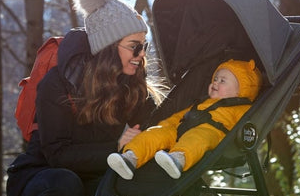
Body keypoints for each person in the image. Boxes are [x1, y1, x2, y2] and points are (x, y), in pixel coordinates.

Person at [6, 0, 165, 196]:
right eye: (134, 46)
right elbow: (57, 155)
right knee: (66, 184)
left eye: (144, 46)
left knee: (119, 190)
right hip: (42, 184)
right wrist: (116, 146)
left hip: (94, 184)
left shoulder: (135, 90)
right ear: (108, 46)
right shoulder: (58, 84)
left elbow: (151, 138)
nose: (141, 54)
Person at [107, 59, 262, 180]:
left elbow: (248, 124)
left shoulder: (242, 108)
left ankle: (179, 159)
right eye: (215, 78)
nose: (215, 82)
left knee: (197, 138)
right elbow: (179, 116)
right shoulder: (201, 103)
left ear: (240, 92)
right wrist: (166, 125)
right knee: (154, 134)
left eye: (223, 81)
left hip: (212, 133)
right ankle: (130, 157)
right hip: (181, 129)